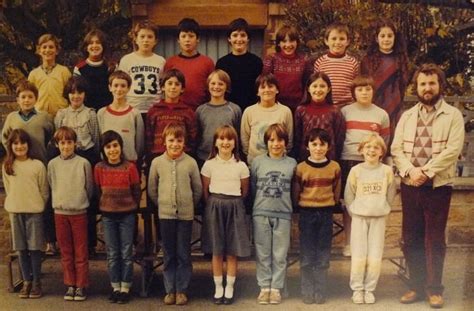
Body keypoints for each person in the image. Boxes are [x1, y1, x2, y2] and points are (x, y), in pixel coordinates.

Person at [391, 63, 465, 309]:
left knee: (433, 239)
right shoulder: (407, 116)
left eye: (432, 83)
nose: (427, 88)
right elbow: (396, 149)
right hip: (410, 183)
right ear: (417, 86)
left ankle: (434, 289)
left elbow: (453, 150)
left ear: (440, 85)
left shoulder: (452, 115)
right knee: (411, 237)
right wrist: (411, 171)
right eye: (423, 83)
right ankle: (416, 286)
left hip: (438, 186)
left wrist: (427, 171)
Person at [148, 123, 202, 306]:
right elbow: (152, 189)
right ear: (164, 142)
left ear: (184, 142)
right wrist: (163, 205)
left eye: (179, 140)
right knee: (169, 253)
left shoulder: (190, 163)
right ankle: (169, 289)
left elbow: (197, 190)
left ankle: (182, 290)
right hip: (166, 216)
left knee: (183, 254)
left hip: (185, 216)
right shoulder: (157, 163)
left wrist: (188, 205)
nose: (175, 144)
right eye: (171, 140)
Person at [1, 81, 55, 254]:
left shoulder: (43, 117)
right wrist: (13, 154)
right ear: (17, 99)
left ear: (36, 99)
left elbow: (51, 137)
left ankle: (49, 241)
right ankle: (23, 245)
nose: (26, 100)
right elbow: (5, 139)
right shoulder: (12, 118)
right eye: (23, 97)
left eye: (30, 97)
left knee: (44, 203)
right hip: (20, 166)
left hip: (39, 165)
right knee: (24, 203)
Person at [340, 75, 390, 256]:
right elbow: (339, 136)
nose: (364, 92)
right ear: (354, 92)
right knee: (349, 203)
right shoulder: (345, 111)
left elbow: (384, 141)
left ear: (373, 91)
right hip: (349, 159)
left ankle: (369, 244)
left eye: (368, 89)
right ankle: (349, 243)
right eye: (360, 89)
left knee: (370, 201)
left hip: (371, 163)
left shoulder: (381, 114)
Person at [201, 125, 251, 305]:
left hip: (235, 206)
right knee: (217, 250)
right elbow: (205, 191)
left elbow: (244, 191)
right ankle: (218, 287)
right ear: (215, 142)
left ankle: (229, 286)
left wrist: (233, 203)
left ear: (235, 142)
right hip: (215, 206)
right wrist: (214, 204)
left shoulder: (241, 165)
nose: (225, 142)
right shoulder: (209, 165)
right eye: (221, 139)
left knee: (231, 251)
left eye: (229, 139)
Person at [344, 133, 396, 304]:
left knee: (375, 255)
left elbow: (390, 193)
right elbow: (349, 193)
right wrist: (354, 211)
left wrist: (385, 209)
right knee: (359, 255)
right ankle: (357, 289)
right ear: (361, 150)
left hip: (378, 218)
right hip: (359, 217)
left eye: (376, 147)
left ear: (382, 151)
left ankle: (370, 289)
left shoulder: (386, 171)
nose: (372, 150)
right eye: (368, 147)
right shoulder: (356, 171)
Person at [292, 128, 341, 305]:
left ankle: (320, 291)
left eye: (322, 144)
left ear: (328, 146)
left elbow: (337, 188)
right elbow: (296, 191)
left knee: (322, 253)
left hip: (326, 212)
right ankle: (307, 290)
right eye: (314, 144)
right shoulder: (301, 168)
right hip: (307, 212)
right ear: (307, 146)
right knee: (306, 252)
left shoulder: (334, 167)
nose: (318, 148)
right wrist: (299, 204)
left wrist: (333, 202)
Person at [251, 124, 297, 305]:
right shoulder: (258, 162)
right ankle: (264, 287)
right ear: (266, 142)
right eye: (271, 140)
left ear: (285, 142)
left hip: (283, 214)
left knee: (279, 253)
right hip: (261, 212)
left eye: (280, 140)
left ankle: (276, 287)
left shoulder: (292, 163)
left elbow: (294, 189)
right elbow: (254, 186)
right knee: (263, 252)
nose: (276, 144)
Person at [55, 76, 101, 256]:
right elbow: (57, 139)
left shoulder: (90, 114)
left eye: (79, 92)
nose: (76, 96)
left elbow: (96, 139)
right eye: (72, 92)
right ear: (67, 94)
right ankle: (69, 244)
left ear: (85, 94)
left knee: (86, 200)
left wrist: (93, 158)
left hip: (87, 155)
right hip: (67, 158)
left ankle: (89, 244)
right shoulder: (61, 115)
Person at [94, 130, 141, 304]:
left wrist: (131, 206)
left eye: (115, 145)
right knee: (112, 253)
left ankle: (125, 287)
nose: (112, 150)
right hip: (108, 216)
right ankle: (115, 286)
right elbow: (97, 190)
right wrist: (105, 205)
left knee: (126, 252)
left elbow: (136, 191)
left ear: (121, 147)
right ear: (103, 150)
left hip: (127, 215)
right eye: (108, 147)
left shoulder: (130, 167)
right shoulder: (99, 168)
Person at [48, 126, 93, 301]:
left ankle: (81, 285)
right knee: (66, 251)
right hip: (60, 212)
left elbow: (89, 188)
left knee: (81, 251)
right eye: (62, 143)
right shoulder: (52, 164)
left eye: (69, 142)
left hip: (79, 212)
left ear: (75, 143)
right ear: (57, 144)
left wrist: (80, 201)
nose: (66, 146)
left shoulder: (83, 163)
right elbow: (52, 185)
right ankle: (70, 284)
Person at [2, 129, 49, 299]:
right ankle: (26, 281)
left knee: (35, 248)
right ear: (11, 146)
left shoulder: (37, 165)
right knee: (21, 249)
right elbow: (9, 189)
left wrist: (38, 205)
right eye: (15, 143)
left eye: (22, 143)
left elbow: (44, 190)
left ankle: (36, 282)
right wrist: (16, 203)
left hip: (34, 211)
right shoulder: (7, 166)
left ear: (28, 145)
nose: (19, 146)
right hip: (16, 211)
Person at [361, 18, 409, 147]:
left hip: (395, 104)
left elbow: (403, 84)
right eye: (382, 36)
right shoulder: (368, 60)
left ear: (395, 38)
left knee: (394, 139)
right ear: (376, 39)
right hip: (374, 105)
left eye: (390, 36)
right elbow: (364, 84)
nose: (386, 39)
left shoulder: (401, 58)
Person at [145, 69, 197, 166]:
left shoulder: (188, 112)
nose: (173, 87)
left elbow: (192, 138)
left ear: (182, 89)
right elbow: (148, 137)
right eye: (170, 83)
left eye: (177, 84)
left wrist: (188, 154)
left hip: (182, 158)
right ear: (163, 87)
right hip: (157, 156)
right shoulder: (154, 111)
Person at [241, 73, 293, 164]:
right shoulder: (249, 111)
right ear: (257, 92)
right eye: (263, 87)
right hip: (255, 162)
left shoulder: (285, 111)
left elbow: (289, 137)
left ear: (277, 90)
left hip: (279, 161)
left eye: (270, 86)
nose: (267, 90)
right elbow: (245, 138)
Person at [164, 18, 214, 111]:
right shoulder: (171, 62)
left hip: (201, 110)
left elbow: (211, 89)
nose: (187, 40)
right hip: (176, 111)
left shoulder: (207, 62)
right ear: (178, 40)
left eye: (191, 36)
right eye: (183, 36)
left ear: (198, 39)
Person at [294, 72, 345, 162]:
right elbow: (298, 137)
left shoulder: (335, 111)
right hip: (306, 159)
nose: (318, 89)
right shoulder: (301, 110)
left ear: (328, 89)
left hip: (329, 159)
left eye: (322, 86)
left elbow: (339, 138)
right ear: (308, 89)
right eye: (314, 86)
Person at [196, 69, 241, 167]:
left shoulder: (234, 109)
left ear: (227, 87)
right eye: (213, 83)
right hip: (204, 158)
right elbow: (198, 135)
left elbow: (237, 135)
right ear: (208, 86)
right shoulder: (200, 110)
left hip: (227, 158)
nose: (216, 87)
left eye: (220, 84)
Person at [118, 21, 166, 115]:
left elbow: (162, 85)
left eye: (150, 37)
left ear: (155, 40)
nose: (146, 40)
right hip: (132, 108)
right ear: (135, 39)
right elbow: (121, 84)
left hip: (154, 109)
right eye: (142, 36)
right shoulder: (127, 60)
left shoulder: (161, 61)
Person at [97, 71, 144, 164]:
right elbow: (99, 140)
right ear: (110, 87)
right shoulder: (102, 113)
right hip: (108, 164)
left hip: (129, 163)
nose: (119, 89)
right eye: (116, 85)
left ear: (129, 88)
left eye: (123, 86)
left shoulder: (135, 114)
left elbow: (140, 144)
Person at [216, 18, 263, 111]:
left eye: (243, 35)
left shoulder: (256, 62)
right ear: (229, 38)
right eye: (235, 35)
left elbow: (259, 89)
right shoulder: (222, 63)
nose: (239, 39)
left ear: (248, 38)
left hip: (252, 110)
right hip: (228, 110)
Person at [262, 25, 312, 113]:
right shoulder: (271, 59)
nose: (288, 45)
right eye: (284, 41)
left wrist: (304, 105)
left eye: (292, 41)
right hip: (275, 106)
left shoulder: (304, 60)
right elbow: (265, 82)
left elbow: (308, 84)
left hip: (297, 107)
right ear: (278, 43)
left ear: (297, 42)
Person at [313, 22, 359, 107]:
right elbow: (316, 85)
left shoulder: (353, 63)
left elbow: (356, 86)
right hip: (326, 105)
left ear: (347, 41)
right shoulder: (320, 62)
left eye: (341, 39)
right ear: (326, 41)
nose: (337, 42)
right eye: (334, 39)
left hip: (348, 106)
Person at [28, 33, 71, 117]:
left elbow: (70, 94)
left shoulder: (64, 71)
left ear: (57, 50)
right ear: (39, 50)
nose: (47, 50)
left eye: (51, 47)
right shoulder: (34, 74)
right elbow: (29, 96)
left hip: (61, 115)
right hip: (39, 116)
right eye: (44, 47)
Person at [74, 29, 114, 111]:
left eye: (98, 43)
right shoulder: (79, 68)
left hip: (108, 111)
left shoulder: (111, 66)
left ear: (103, 46)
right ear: (86, 48)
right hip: (87, 111)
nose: (94, 45)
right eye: (91, 43)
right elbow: (77, 92)